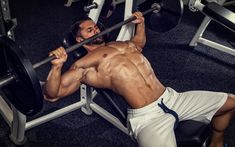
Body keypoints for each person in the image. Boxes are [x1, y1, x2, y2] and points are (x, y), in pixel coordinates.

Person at [44, 12, 235, 147]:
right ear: (79, 40)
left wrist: (140, 23)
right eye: (89, 31)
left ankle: (216, 142)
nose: (95, 31)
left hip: (172, 98)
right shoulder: (84, 65)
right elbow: (53, 94)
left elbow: (139, 44)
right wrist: (57, 66)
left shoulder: (121, 44)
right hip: (148, 118)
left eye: (95, 27)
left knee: (231, 102)